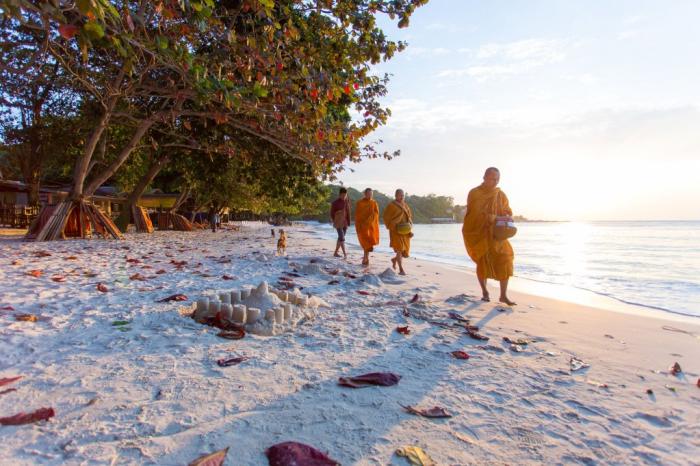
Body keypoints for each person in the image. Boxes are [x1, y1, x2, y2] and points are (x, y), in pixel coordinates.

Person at [461, 167, 516, 305]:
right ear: (485, 177)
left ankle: (503, 295)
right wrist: (493, 217)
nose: (495, 182)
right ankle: (485, 292)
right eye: (492, 179)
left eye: (498, 179)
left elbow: (507, 209)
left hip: (497, 235)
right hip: (481, 234)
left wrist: (507, 215)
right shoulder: (475, 193)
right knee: (483, 263)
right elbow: (474, 215)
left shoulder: (500, 194)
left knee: (506, 258)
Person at [382, 189, 413, 275]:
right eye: (400, 195)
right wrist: (392, 225)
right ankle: (401, 269)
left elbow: (409, 218)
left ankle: (394, 259)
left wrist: (410, 230)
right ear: (396, 195)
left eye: (403, 195)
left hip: (405, 231)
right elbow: (385, 217)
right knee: (399, 249)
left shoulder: (405, 205)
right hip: (395, 230)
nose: (402, 197)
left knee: (403, 251)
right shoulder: (391, 206)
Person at [354, 188, 380, 266]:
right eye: (368, 194)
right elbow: (358, 215)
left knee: (368, 243)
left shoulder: (374, 203)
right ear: (365, 194)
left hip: (370, 226)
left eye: (371, 194)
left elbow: (376, 213)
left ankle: (366, 258)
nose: (370, 195)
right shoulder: (360, 203)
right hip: (362, 226)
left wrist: (370, 220)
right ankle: (366, 258)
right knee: (365, 243)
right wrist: (362, 223)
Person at [330, 187, 351, 259]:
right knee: (342, 238)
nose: (344, 196)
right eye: (342, 195)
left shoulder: (347, 202)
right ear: (339, 194)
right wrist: (335, 220)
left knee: (340, 238)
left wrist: (349, 222)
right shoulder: (335, 203)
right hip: (338, 223)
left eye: (345, 195)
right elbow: (332, 213)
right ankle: (345, 254)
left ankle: (335, 252)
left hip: (345, 223)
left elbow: (348, 212)